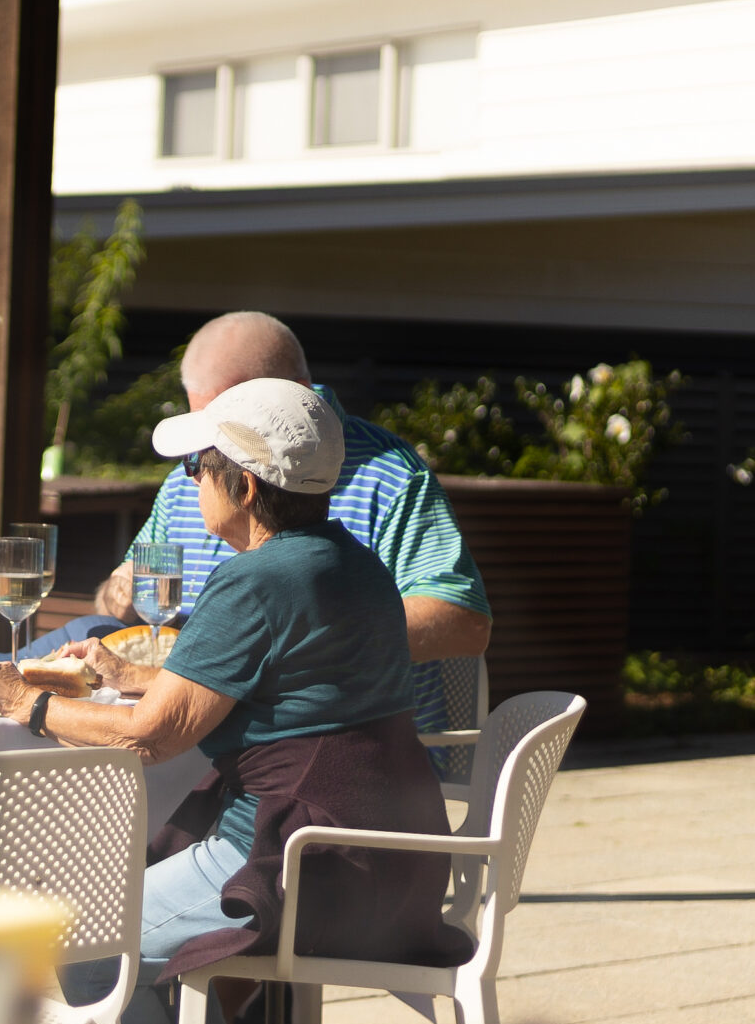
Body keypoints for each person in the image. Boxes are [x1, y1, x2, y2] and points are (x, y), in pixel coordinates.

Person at [0, 378, 468, 997]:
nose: (189, 481)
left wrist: (22, 701)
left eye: (195, 467)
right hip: (389, 859)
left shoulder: (256, 580)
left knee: (72, 951)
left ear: (247, 486)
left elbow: (148, 739)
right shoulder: (352, 563)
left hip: (306, 861)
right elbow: (293, 686)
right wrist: (133, 674)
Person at [50, 311, 491, 734]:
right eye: (201, 432)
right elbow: (128, 599)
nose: (203, 461)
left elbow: (464, 623)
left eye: (228, 429)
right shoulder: (191, 475)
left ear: (296, 392)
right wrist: (118, 595)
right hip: (204, 724)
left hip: (338, 740)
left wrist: (245, 652)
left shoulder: (390, 476)